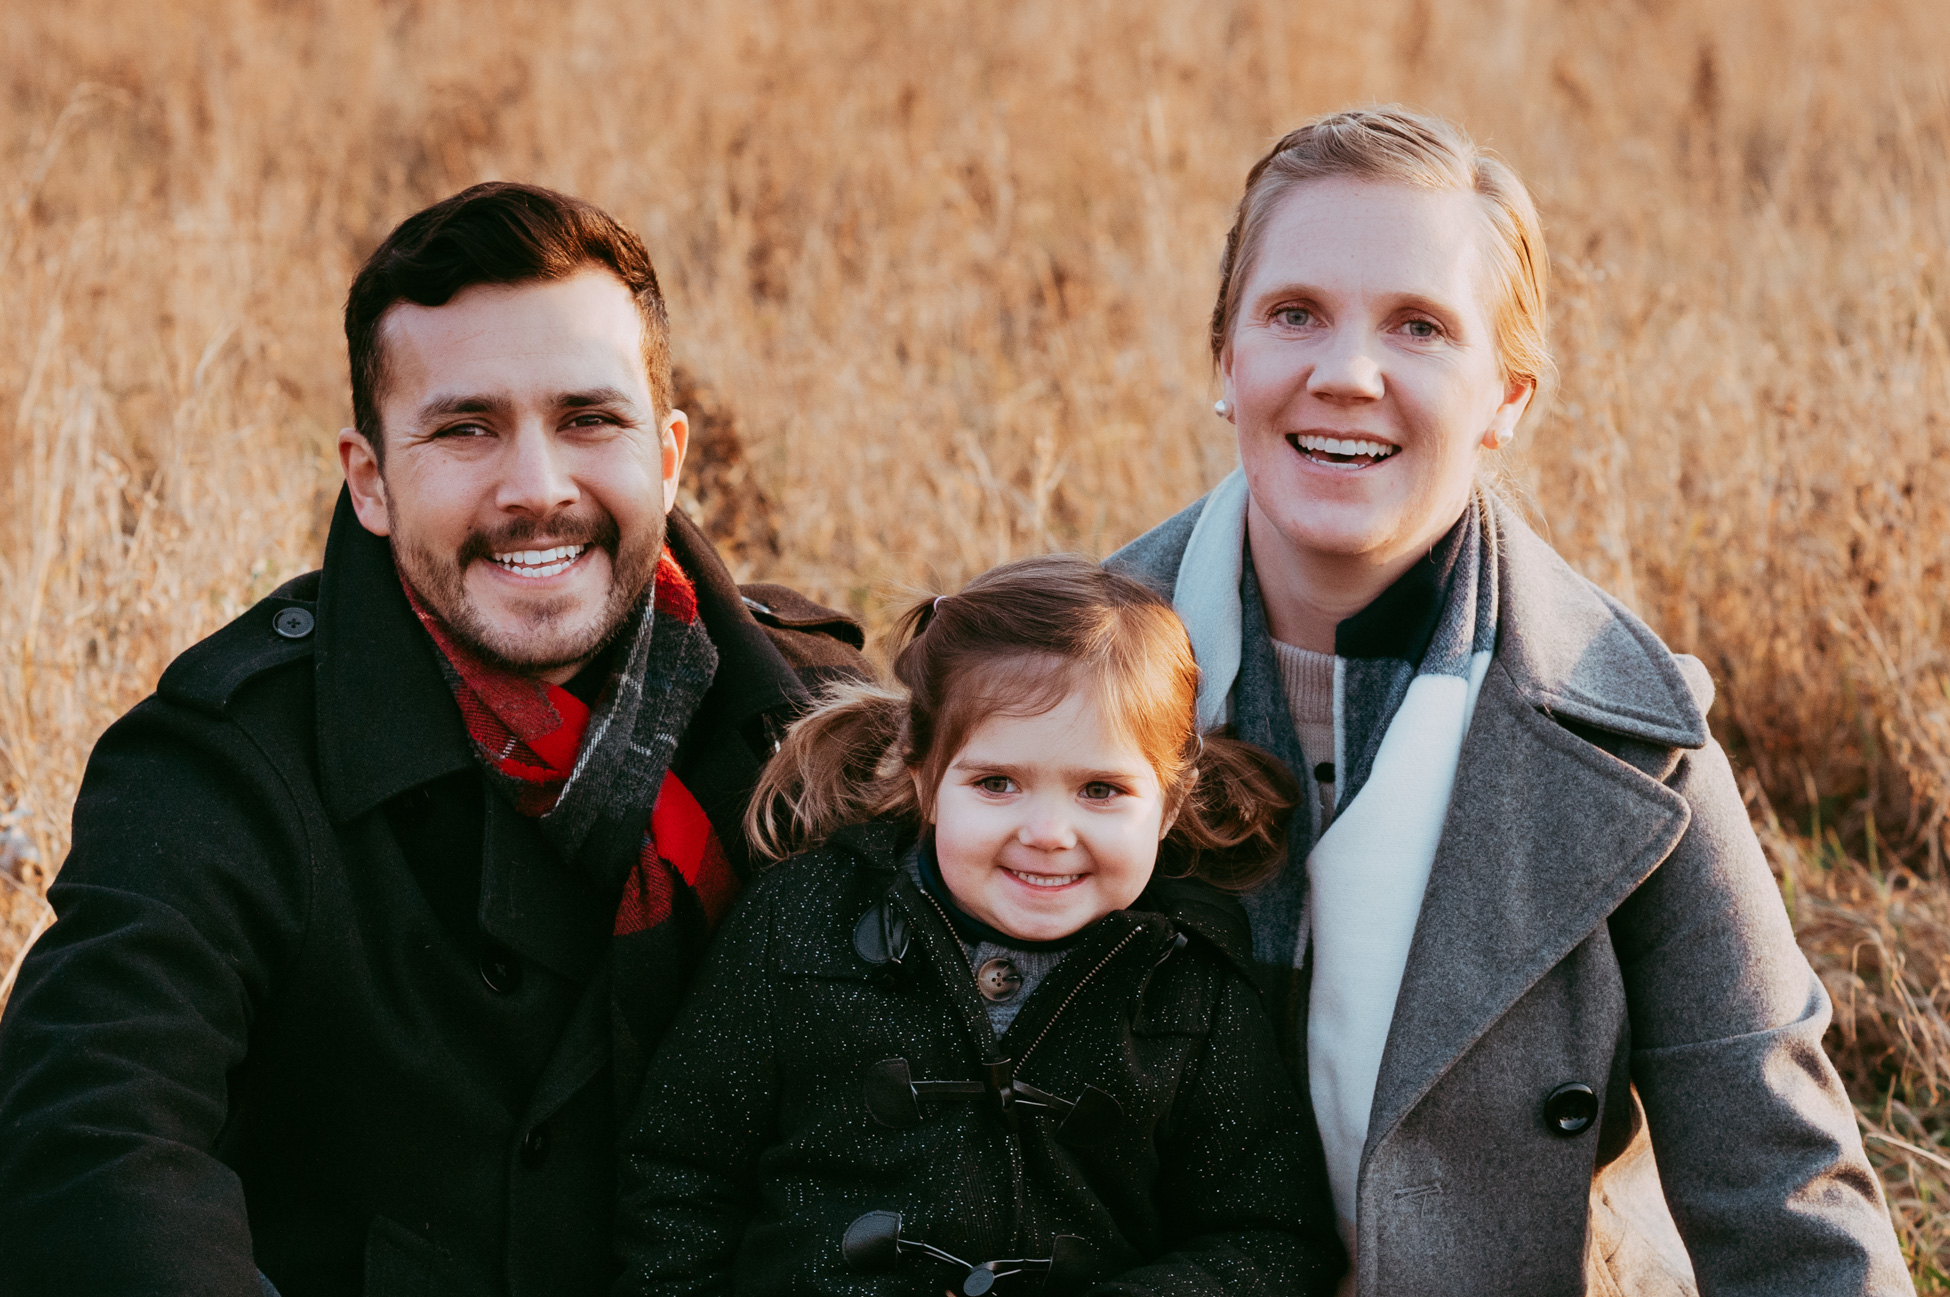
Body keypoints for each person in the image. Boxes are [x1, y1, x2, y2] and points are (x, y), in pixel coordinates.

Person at [0, 183, 866, 1297]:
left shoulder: (819, 726)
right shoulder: (228, 762)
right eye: (466, 429)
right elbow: (92, 1142)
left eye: (587, 420)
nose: (535, 489)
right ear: (371, 480)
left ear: (669, 453)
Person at [1107, 108, 1912, 1296]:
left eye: (1420, 327)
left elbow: (1779, 1182)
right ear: (1224, 360)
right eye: (1294, 314)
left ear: (1508, 398)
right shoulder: (1052, 680)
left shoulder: (1630, 742)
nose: (1345, 372)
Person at [612, 555, 1345, 1295]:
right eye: (998, 783)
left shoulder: (1190, 984)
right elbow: (682, 1173)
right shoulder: (801, 920)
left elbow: (1271, 1237)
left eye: (1101, 789)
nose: (1049, 832)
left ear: (1170, 803)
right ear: (925, 775)